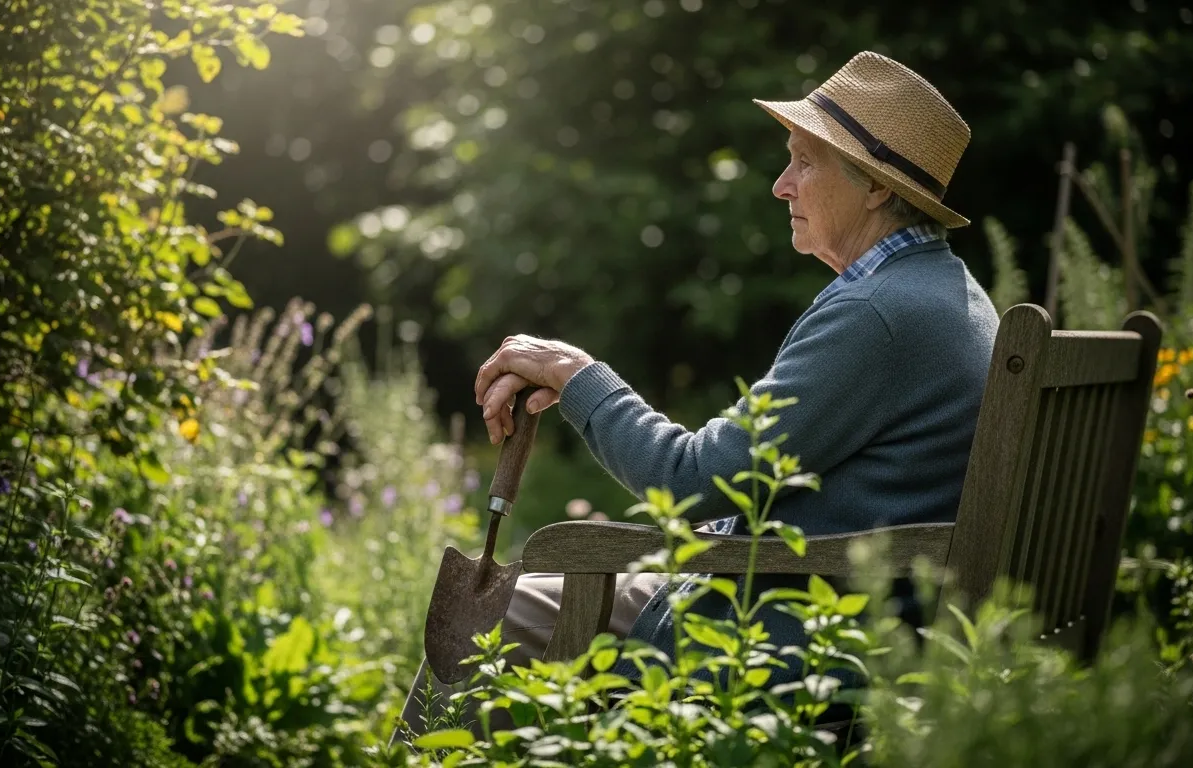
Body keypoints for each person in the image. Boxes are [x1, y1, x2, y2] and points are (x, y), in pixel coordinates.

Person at [397, 50, 1000, 739]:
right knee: (526, 603)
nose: (781, 185)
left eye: (804, 161)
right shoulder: (943, 294)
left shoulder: (880, 314)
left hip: (787, 638)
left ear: (874, 189)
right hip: (822, 605)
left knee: (493, 630)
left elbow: (693, 480)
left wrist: (576, 376)